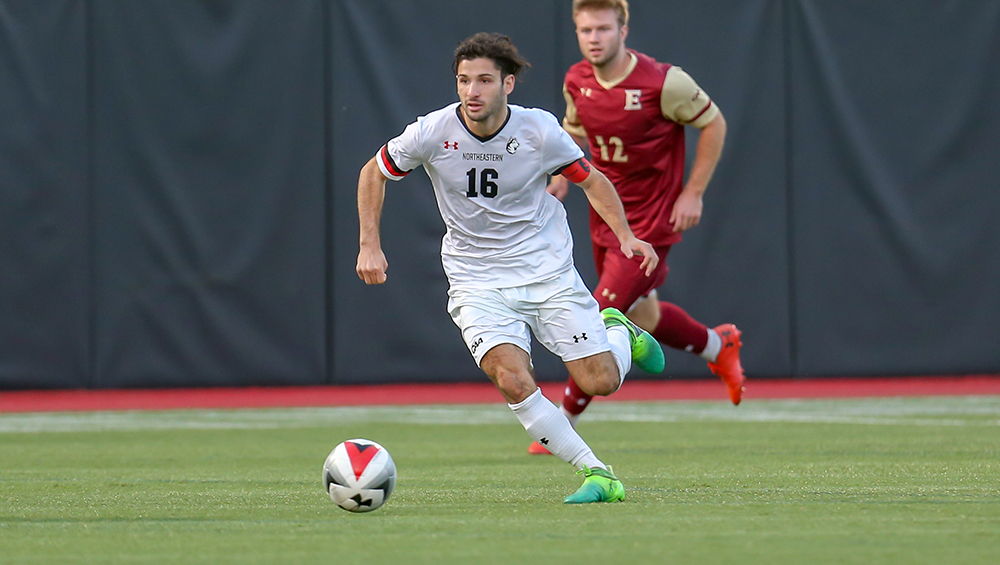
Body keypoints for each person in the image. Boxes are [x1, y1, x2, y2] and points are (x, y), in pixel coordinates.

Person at [356, 32, 665, 504]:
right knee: (511, 377)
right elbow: (373, 171)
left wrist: (626, 236)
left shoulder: (539, 130)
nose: (471, 92)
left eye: (483, 80)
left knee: (599, 381)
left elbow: (592, 180)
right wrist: (369, 245)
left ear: (508, 83)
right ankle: (597, 473)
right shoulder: (433, 131)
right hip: (476, 278)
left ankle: (621, 333)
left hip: (546, 270)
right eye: (463, 80)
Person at [529, 0, 745, 455]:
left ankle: (562, 422)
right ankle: (716, 345)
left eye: (603, 28)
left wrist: (693, 191)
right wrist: (559, 179)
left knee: (598, 311)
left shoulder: (664, 81)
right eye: (585, 29)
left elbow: (715, 123)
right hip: (607, 213)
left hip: (652, 220)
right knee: (643, 316)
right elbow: (575, 133)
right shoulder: (577, 80)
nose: (594, 38)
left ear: (623, 30)